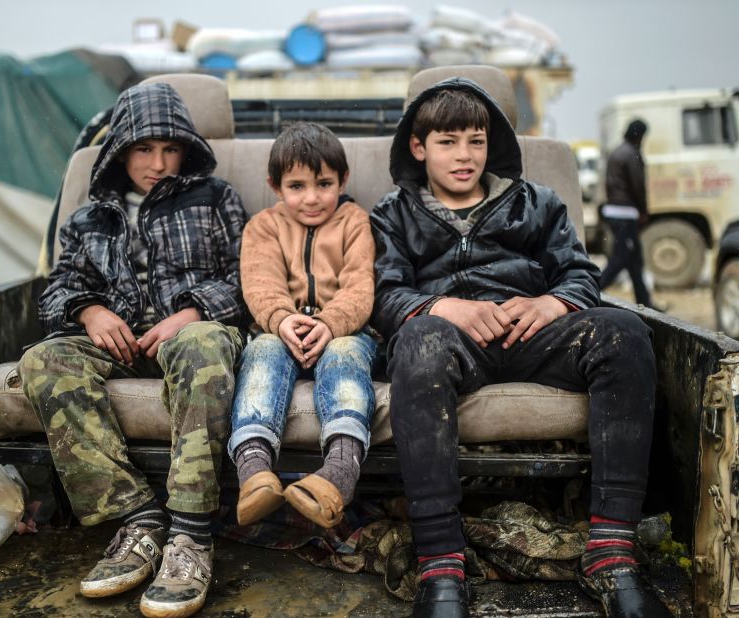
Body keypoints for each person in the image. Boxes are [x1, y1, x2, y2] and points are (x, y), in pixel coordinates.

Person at [369, 79, 673, 618]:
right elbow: (385, 296)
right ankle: (441, 562)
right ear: (418, 147)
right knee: (417, 342)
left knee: (624, 332)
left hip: (535, 336)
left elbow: (581, 275)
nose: (464, 156)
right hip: (450, 341)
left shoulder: (536, 203)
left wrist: (552, 303)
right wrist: (448, 308)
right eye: (447, 142)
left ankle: (610, 551)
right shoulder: (393, 214)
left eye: (476, 140)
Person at [18, 82, 249, 618]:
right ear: (121, 150)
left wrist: (191, 311)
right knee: (44, 359)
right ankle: (139, 520)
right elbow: (56, 291)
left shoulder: (216, 197)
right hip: (117, 339)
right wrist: (91, 312)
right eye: (144, 149)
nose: (159, 163)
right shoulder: (88, 218)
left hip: (194, 329)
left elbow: (248, 276)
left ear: (187, 149)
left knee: (205, 344)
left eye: (171, 149)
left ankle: (190, 535)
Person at [228, 121, 377, 530]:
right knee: (260, 351)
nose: (312, 199)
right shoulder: (263, 226)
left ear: (343, 179)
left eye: (324, 184)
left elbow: (360, 286)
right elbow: (259, 283)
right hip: (282, 330)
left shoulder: (354, 221)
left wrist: (330, 323)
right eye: (297, 187)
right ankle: (254, 473)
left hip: (343, 330)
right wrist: (283, 320)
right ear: (275, 186)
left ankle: (339, 474)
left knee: (346, 352)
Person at [599, 119, 657, 309]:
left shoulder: (616, 152)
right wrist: (643, 210)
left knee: (635, 261)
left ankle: (645, 302)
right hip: (626, 212)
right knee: (621, 257)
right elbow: (638, 186)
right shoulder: (631, 154)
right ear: (639, 135)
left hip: (615, 210)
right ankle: (592, 289)